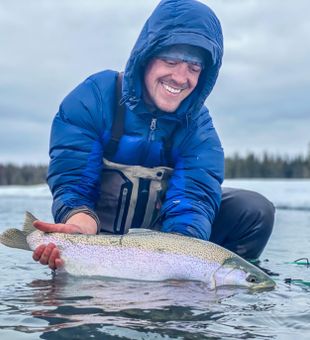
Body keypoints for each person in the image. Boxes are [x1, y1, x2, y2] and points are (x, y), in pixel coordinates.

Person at [33, 0, 275, 270]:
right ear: (146, 57)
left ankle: (227, 282)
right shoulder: (93, 100)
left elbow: (193, 200)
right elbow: (74, 182)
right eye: (171, 61)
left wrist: (175, 265)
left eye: (194, 68)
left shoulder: (199, 128)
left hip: (163, 240)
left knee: (252, 209)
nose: (181, 78)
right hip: (97, 235)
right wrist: (77, 225)